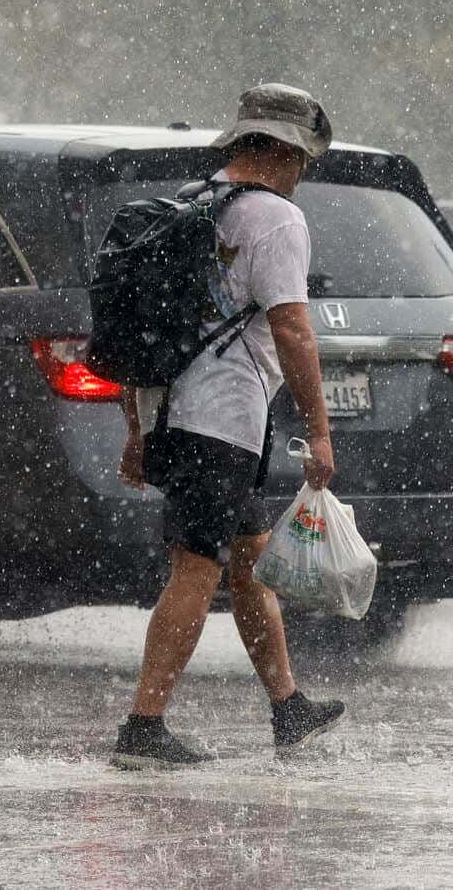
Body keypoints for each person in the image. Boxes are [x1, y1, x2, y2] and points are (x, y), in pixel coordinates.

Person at [110, 83, 345, 768]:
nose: (302, 171)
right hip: (222, 421)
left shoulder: (191, 204)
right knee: (196, 568)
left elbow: (139, 328)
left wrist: (138, 428)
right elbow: (294, 329)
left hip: (185, 414)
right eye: (299, 156)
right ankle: (143, 727)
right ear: (272, 149)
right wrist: (320, 431)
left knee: (250, 562)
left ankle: (288, 707)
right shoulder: (274, 218)